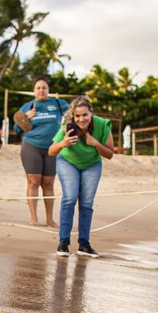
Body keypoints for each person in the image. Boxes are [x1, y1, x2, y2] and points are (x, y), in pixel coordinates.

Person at [48, 96, 114, 258]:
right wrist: (63, 143)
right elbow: (51, 151)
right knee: (69, 198)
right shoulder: (67, 126)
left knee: (86, 202)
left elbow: (110, 154)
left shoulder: (102, 125)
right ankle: (63, 242)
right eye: (77, 116)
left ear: (91, 113)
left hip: (91, 164)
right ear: (73, 116)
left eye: (85, 115)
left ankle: (84, 244)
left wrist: (95, 143)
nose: (81, 119)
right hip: (68, 161)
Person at [14, 77, 68, 227]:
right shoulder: (28, 106)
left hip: (52, 148)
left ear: (48, 90)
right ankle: (34, 218)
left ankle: (50, 219)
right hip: (31, 146)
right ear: (34, 91)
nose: (41, 90)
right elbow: (17, 129)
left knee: (48, 184)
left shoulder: (58, 104)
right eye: (38, 88)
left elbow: (72, 117)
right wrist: (27, 118)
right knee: (33, 182)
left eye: (44, 87)